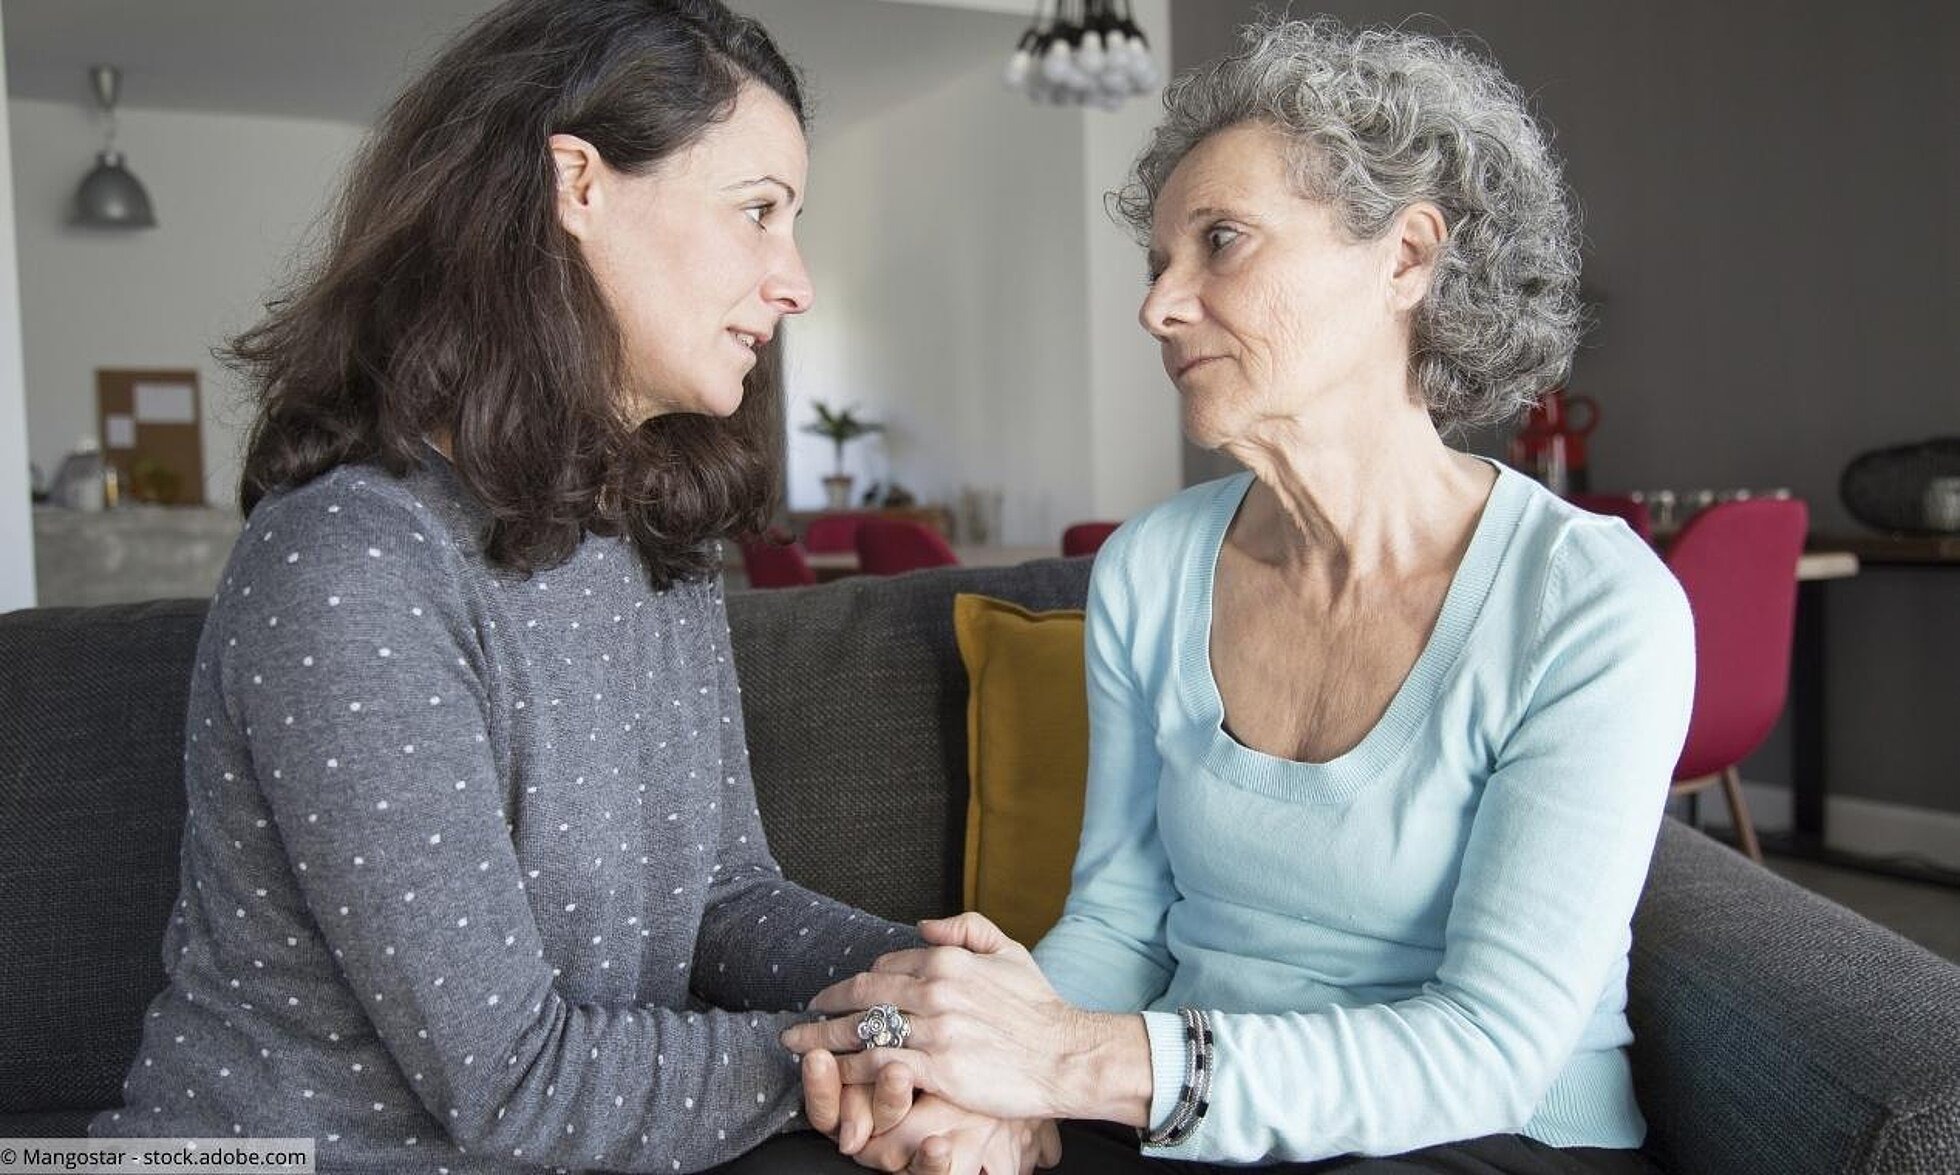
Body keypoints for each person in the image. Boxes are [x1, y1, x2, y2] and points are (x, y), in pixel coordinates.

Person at [86, 2, 1053, 1172]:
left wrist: (949, 998)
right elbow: (517, 1085)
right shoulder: (352, 565)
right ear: (577, 185)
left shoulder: (652, 540)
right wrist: (888, 1049)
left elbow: (725, 899)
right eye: (757, 211)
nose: (792, 279)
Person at [785, 16, 1693, 1172]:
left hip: (1484, 1132)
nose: (1159, 306)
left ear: (1406, 257)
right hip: (1188, 1116)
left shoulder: (1587, 604)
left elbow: (1490, 1047)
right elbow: (1117, 919)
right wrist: (988, 1091)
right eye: (1159, 262)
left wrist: (1067, 1063)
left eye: (1221, 241)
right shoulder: (1153, 567)